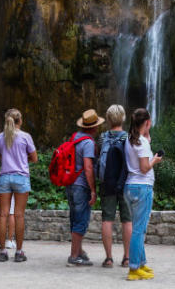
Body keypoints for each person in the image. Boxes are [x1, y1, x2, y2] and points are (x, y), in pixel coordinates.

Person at [124, 108, 162, 281]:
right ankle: (133, 269)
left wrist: (147, 140)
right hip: (142, 187)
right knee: (139, 230)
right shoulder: (142, 142)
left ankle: (141, 263)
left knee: (139, 228)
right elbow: (145, 168)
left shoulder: (130, 139)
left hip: (130, 187)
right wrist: (155, 159)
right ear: (146, 123)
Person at [0, 108, 37, 263]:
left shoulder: (0, 137)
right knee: (19, 215)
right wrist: (22, 157)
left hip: (5, 176)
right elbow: (34, 157)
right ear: (20, 120)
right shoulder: (26, 136)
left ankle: (3, 252)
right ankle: (19, 252)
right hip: (21, 178)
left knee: (3, 214)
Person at [66, 109, 102, 266]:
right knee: (81, 219)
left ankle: (79, 251)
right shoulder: (88, 142)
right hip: (81, 186)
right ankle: (74, 256)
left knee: (75, 218)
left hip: (70, 184)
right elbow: (88, 167)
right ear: (93, 127)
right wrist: (93, 190)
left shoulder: (74, 138)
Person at [98, 104, 132, 267]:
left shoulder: (102, 138)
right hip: (125, 182)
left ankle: (109, 258)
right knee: (127, 220)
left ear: (108, 119)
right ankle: (127, 258)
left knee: (107, 220)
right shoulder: (129, 137)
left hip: (107, 182)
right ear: (123, 118)